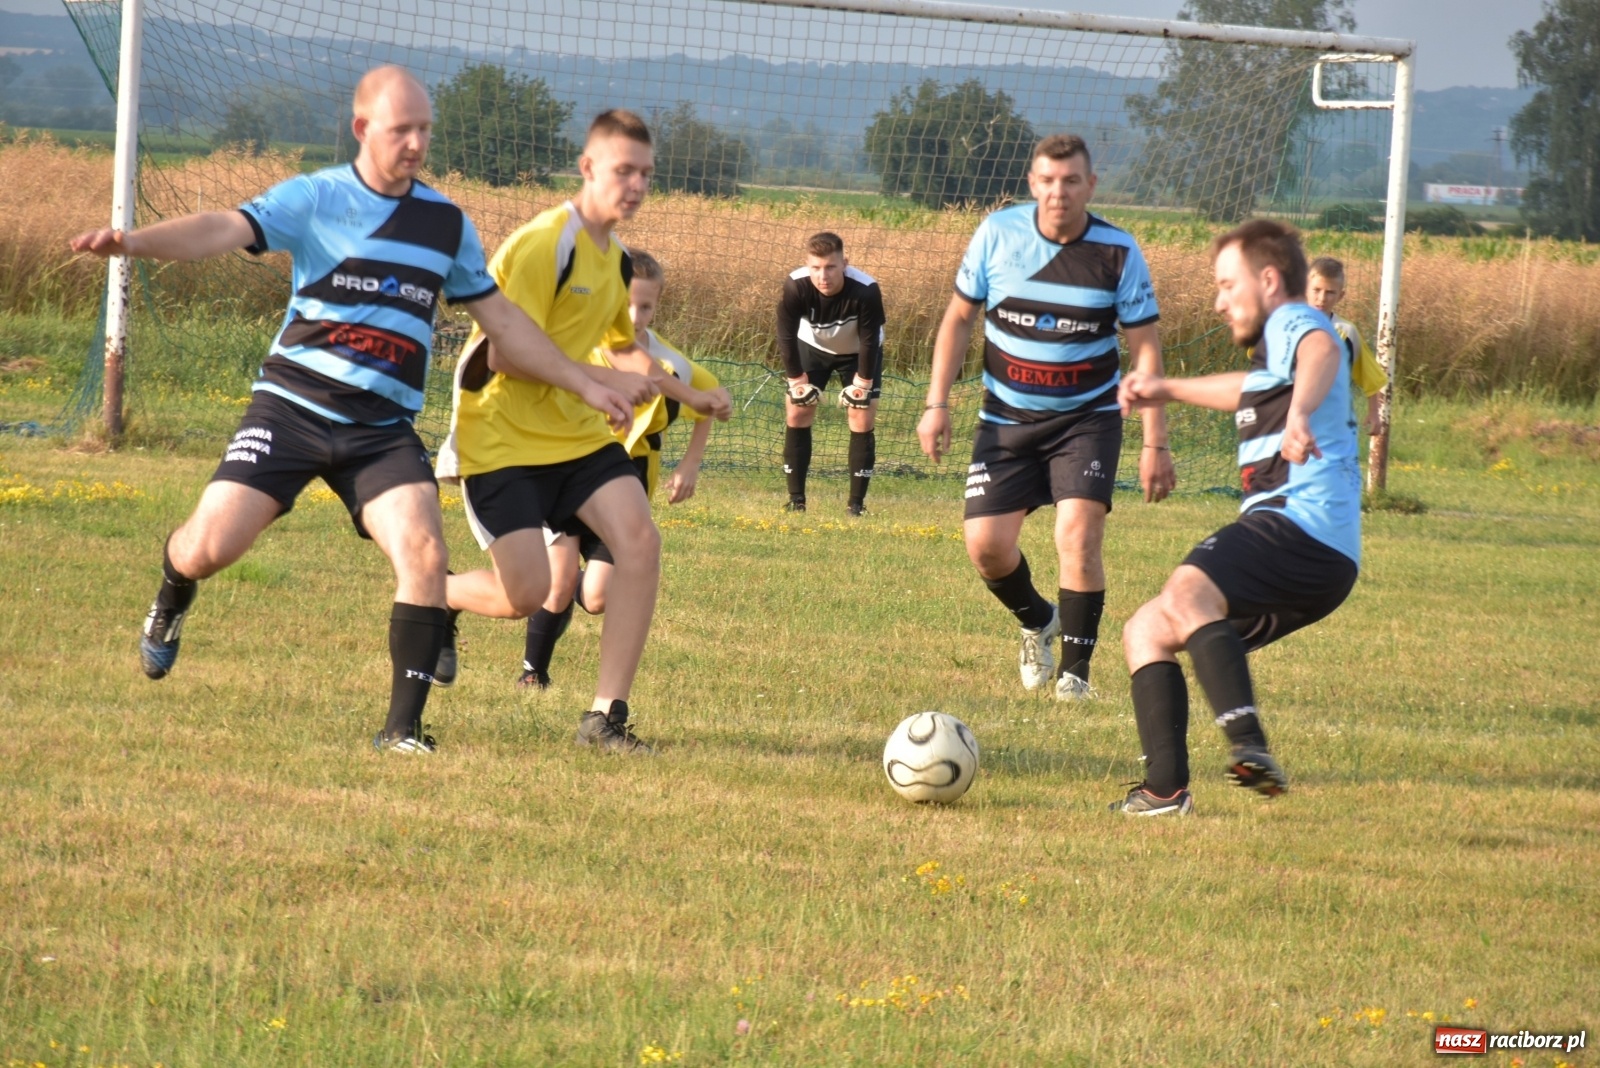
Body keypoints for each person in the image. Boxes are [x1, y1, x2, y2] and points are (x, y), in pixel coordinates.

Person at [69, 66, 633, 754]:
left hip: (382, 430)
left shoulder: (446, 224)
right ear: (364, 129)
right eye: (403, 129)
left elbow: (506, 327)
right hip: (292, 408)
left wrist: (583, 382)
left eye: (425, 129)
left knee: (425, 552)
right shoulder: (315, 197)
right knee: (209, 547)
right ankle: (172, 590)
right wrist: (131, 242)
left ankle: (402, 730)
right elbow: (222, 228)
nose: (417, 143)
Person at [436, 109, 723, 754]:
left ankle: (605, 718)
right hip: (502, 436)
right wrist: (591, 385)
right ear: (587, 168)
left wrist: (687, 392)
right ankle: (439, 594)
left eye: (646, 174)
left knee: (639, 539)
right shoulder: (545, 245)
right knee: (530, 594)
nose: (637, 185)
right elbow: (504, 353)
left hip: (574, 437)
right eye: (624, 170)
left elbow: (625, 352)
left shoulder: (616, 259)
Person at [1111, 219, 1360, 816]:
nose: (1220, 301)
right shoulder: (1270, 352)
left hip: (1297, 523)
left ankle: (1251, 747)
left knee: (1188, 590)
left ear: (1268, 280)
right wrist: (1166, 388)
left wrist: (1299, 414)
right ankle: (1164, 792)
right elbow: (1250, 389)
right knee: (1147, 630)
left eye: (1228, 285)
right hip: (1322, 558)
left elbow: (1321, 348)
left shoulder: (1293, 320)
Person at [916, 133, 1175, 701]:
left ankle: (1075, 678)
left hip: (1088, 418)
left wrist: (1155, 442)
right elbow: (959, 319)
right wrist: (938, 403)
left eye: (1072, 181)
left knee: (1077, 534)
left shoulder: (1119, 251)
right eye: (1048, 181)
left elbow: (1146, 349)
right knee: (986, 547)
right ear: (1033, 184)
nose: (1059, 192)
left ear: (1090, 185)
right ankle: (1038, 622)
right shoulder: (997, 234)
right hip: (1005, 418)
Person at [520, 249, 731, 690]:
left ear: (659, 304)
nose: (635, 314)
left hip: (624, 487)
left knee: (595, 598)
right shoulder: (578, 346)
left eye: (647, 305)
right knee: (556, 587)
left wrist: (691, 461)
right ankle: (532, 672)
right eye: (627, 302)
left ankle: (566, 582)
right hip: (563, 474)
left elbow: (709, 399)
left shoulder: (670, 363)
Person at [776, 232, 886, 516]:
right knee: (797, 411)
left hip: (858, 351)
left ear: (844, 263)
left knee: (861, 415)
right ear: (807, 265)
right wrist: (796, 380)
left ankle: (856, 506)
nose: (822, 276)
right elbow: (785, 335)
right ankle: (796, 501)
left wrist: (862, 383)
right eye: (816, 268)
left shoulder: (866, 290)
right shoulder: (795, 285)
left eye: (830, 267)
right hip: (813, 347)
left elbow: (870, 341)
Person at [1306, 256, 1387, 433]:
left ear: (1341, 295)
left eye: (1330, 292)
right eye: (1316, 290)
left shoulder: (1347, 332)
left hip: (1330, 424)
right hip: (1285, 419)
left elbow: (1370, 377)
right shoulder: (1286, 324)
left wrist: (1374, 413)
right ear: (1305, 288)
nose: (1322, 298)